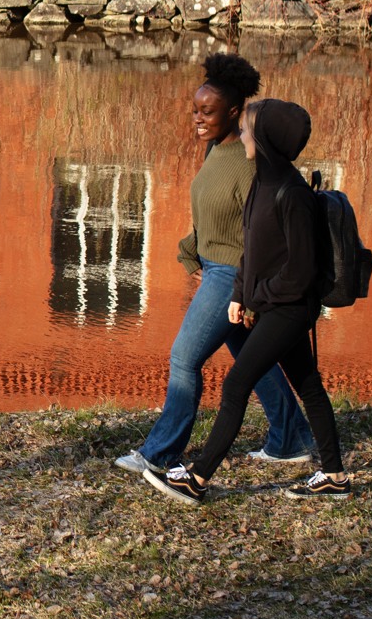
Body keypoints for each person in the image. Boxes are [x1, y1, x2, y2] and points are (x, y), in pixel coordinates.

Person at [110, 53, 313, 482]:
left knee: (184, 358)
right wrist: (193, 250)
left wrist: (244, 285)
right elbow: (210, 211)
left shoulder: (250, 161)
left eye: (208, 111)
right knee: (250, 360)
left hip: (232, 273)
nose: (198, 119)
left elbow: (260, 230)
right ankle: (290, 439)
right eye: (196, 110)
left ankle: (160, 454)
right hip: (216, 266)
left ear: (236, 112)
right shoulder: (215, 149)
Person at [147, 97, 352, 504]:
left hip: (291, 309)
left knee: (238, 382)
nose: (241, 134)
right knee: (309, 385)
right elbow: (251, 252)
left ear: (267, 137)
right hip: (270, 302)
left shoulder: (293, 194)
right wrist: (240, 295)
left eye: (248, 129)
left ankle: (197, 479)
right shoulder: (262, 181)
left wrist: (260, 299)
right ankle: (335, 476)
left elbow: (302, 272)